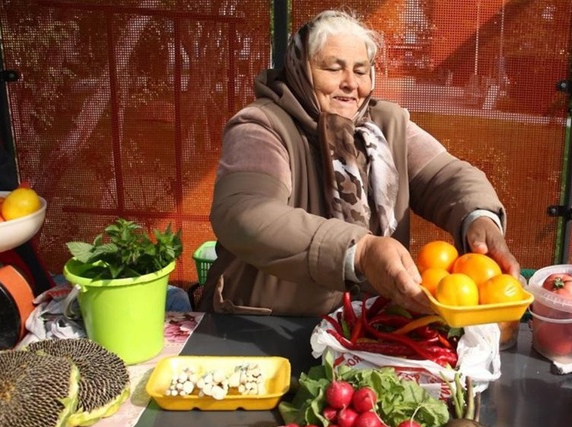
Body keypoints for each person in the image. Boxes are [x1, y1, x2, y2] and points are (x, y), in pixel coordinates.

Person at [198, 10, 519, 316]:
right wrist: (359, 251)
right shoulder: (261, 126)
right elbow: (245, 213)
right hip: (266, 323)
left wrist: (478, 216)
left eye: (361, 70)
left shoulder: (388, 124)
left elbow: (446, 176)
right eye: (334, 68)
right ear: (300, 70)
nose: (351, 83)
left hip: (367, 324)